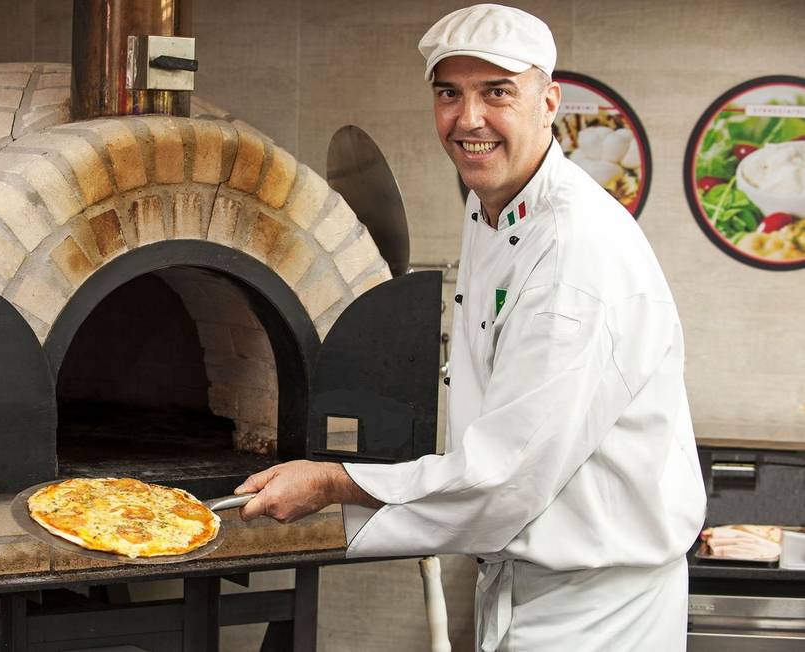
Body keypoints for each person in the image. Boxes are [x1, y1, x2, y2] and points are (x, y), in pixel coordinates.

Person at [233, 4, 707, 650]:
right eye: (449, 93)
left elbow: (508, 474)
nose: (468, 119)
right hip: (531, 583)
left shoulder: (574, 253)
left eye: (497, 92)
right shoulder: (495, 205)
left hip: (595, 611)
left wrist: (331, 482)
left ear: (549, 102)